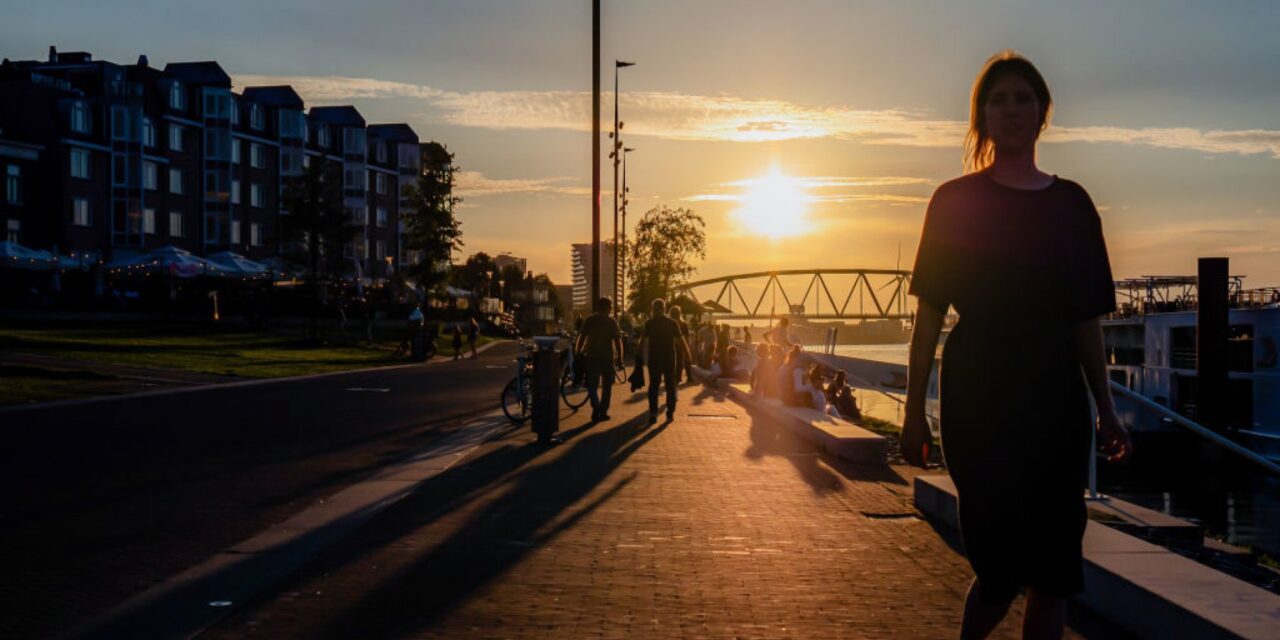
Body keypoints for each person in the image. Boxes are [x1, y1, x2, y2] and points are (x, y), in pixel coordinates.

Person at [901, 51, 1132, 640]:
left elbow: (1086, 319)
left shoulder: (1073, 205)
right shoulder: (954, 201)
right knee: (1001, 571)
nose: (1011, 109)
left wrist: (1106, 410)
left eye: (1022, 98)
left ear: (1042, 113)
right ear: (981, 116)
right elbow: (928, 315)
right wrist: (911, 414)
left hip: (1055, 399)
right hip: (979, 397)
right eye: (997, 99)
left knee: (1055, 570)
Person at [575, 297, 624, 421]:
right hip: (607, 358)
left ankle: (595, 405)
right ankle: (603, 411)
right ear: (608, 308)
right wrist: (620, 359)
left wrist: (578, 352)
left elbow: (581, 337)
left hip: (592, 356)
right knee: (607, 386)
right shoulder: (612, 322)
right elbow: (618, 342)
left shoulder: (589, 320)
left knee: (592, 384)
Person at [641, 298, 687, 424]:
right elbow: (680, 341)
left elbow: (642, 341)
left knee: (654, 387)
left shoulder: (649, 323)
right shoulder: (672, 323)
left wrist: (638, 355)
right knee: (670, 386)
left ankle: (653, 413)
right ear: (664, 308)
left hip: (654, 360)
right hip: (669, 360)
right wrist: (688, 354)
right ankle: (670, 412)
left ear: (654, 309)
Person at [668, 305, 693, 382]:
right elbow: (687, 336)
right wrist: (688, 346)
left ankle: (677, 377)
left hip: (672, 344)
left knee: (676, 361)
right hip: (683, 343)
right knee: (686, 360)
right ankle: (689, 376)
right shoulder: (684, 323)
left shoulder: (669, 323)